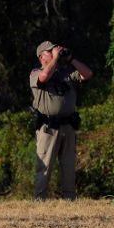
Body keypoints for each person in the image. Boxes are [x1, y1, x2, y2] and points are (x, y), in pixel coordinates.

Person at [29, 41, 93, 200]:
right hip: (49, 128)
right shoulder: (35, 73)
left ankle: (69, 199)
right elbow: (44, 78)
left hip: (69, 126)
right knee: (45, 166)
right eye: (50, 52)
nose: (54, 53)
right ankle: (39, 199)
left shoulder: (66, 73)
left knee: (69, 165)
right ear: (41, 57)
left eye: (55, 51)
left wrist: (71, 59)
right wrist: (56, 58)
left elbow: (88, 74)